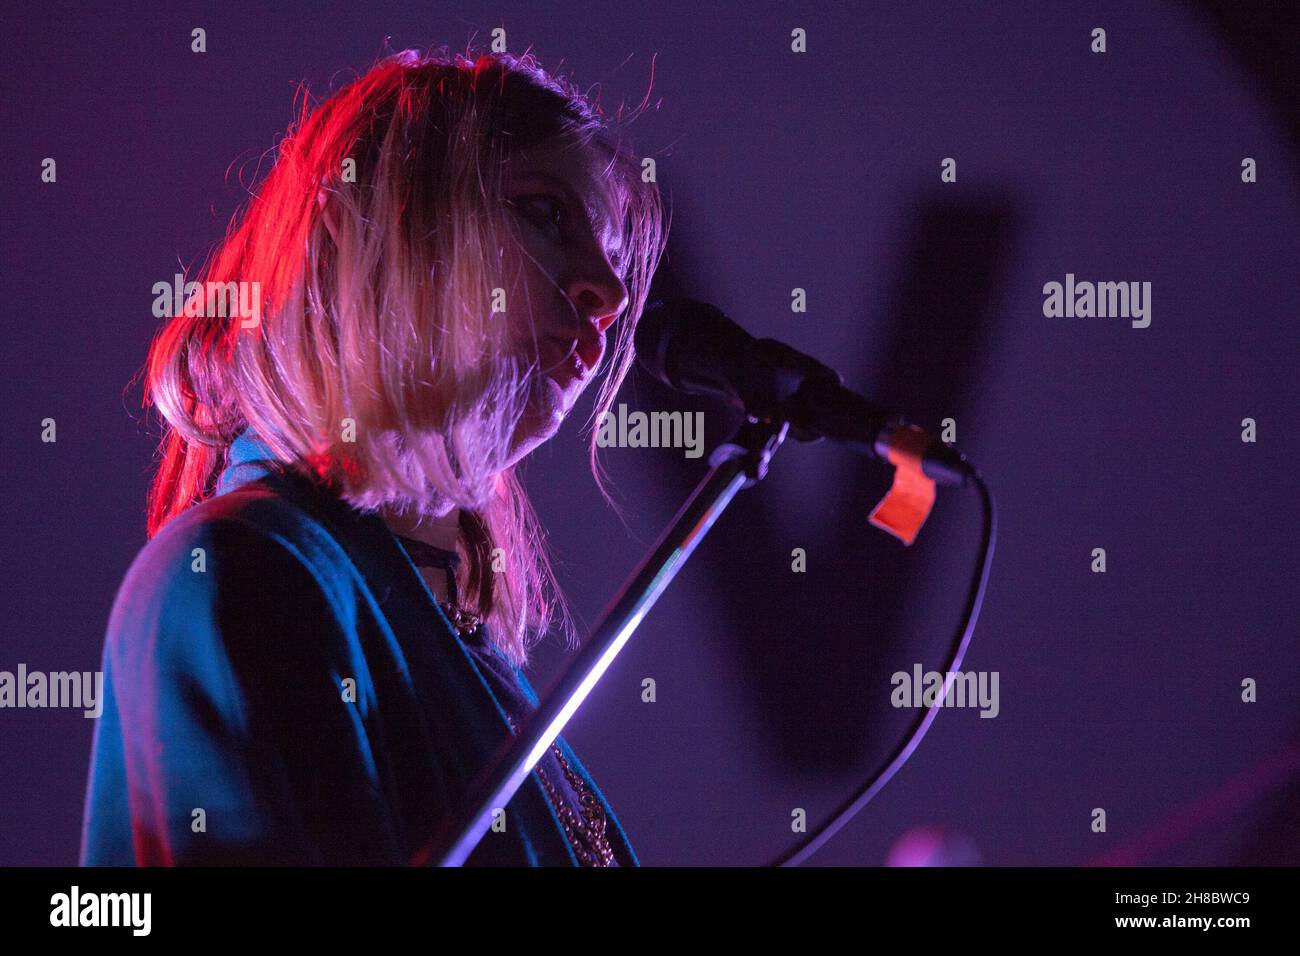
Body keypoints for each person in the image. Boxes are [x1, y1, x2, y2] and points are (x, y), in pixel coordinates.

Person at [78, 47, 667, 866]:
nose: (608, 291)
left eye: (610, 253)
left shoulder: (464, 646)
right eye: (545, 213)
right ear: (380, 229)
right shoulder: (241, 573)